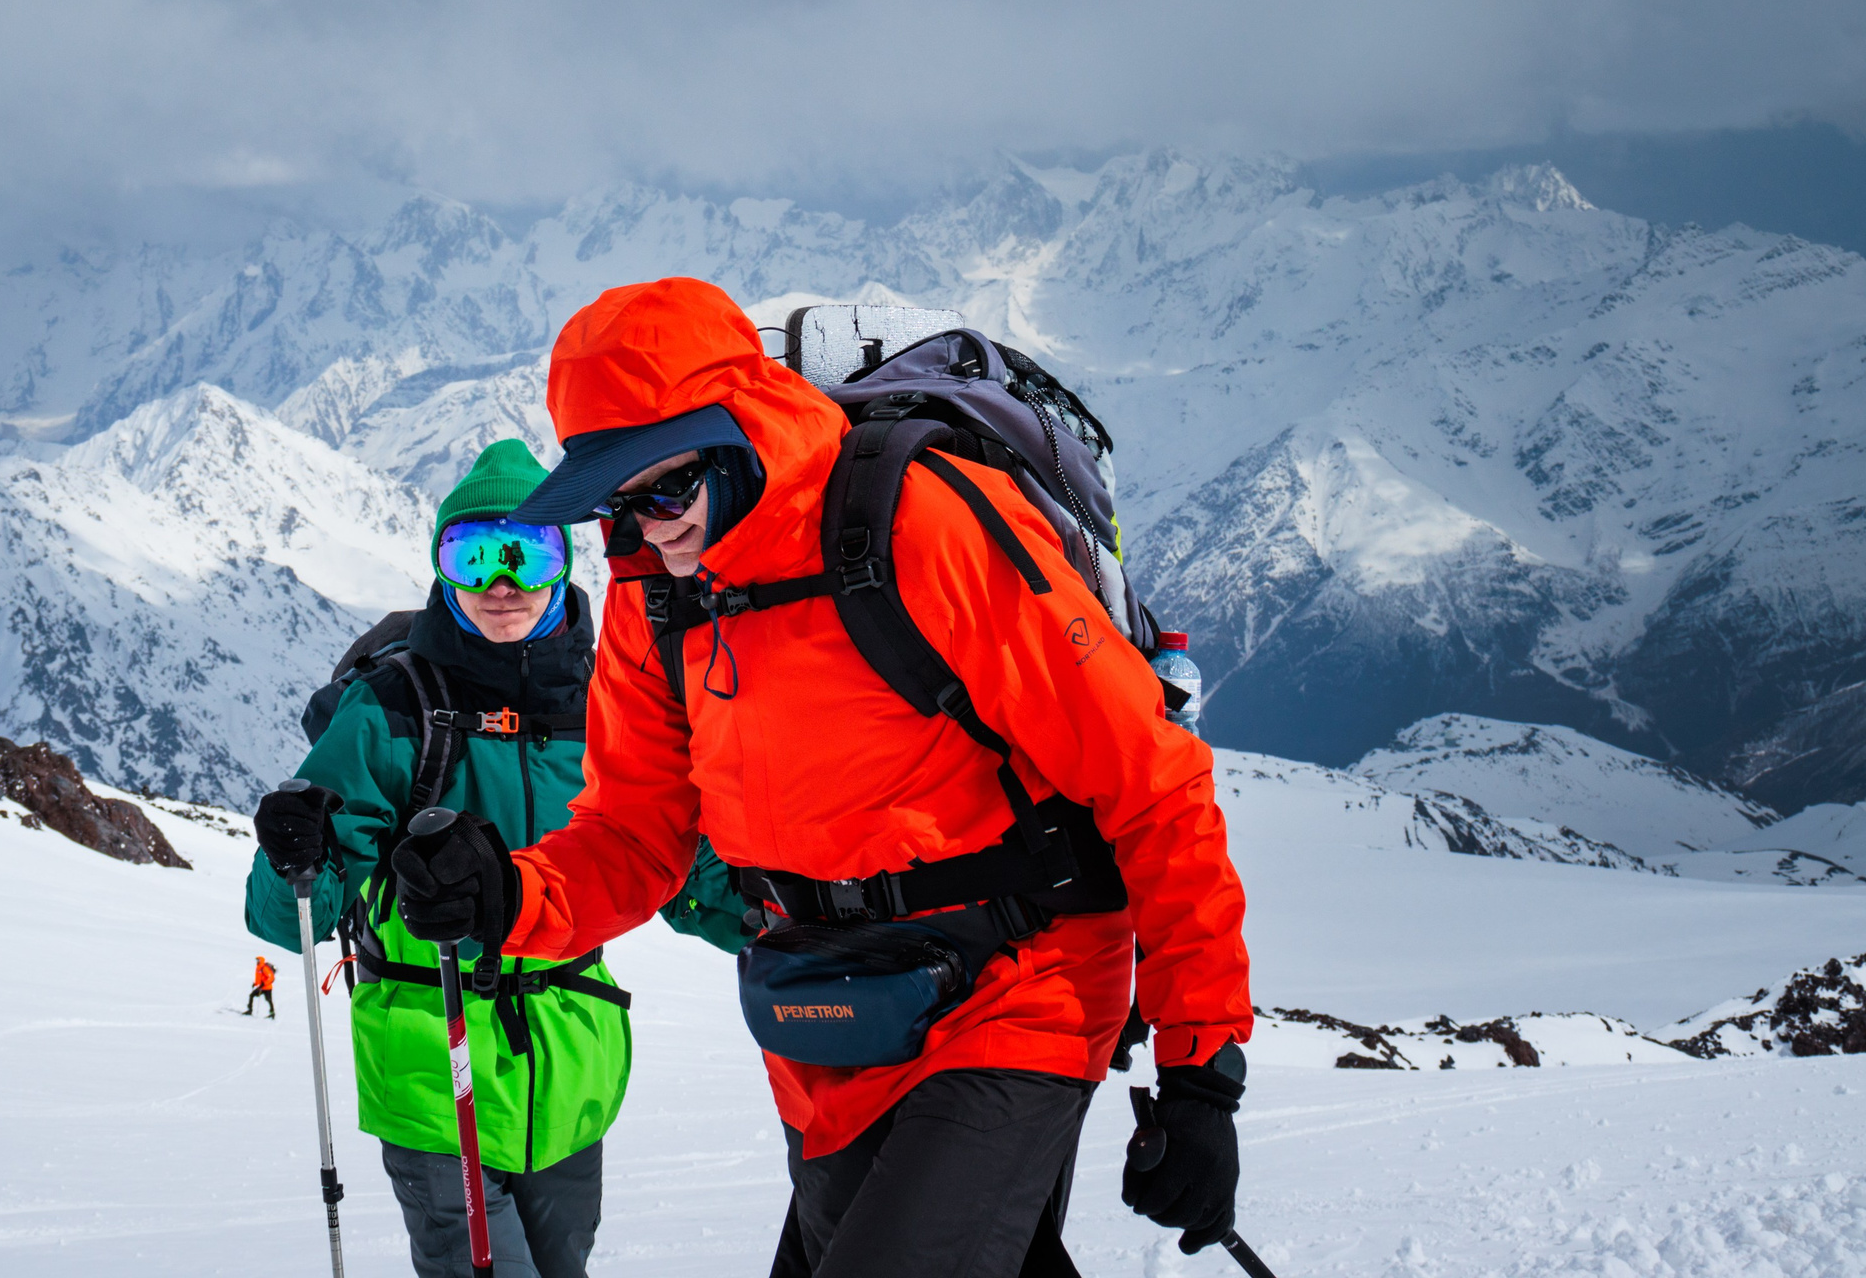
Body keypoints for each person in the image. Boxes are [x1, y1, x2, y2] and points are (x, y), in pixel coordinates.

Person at [388, 279, 1253, 1278]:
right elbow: (633, 834)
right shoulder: (652, 598)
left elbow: (1151, 784)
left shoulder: (921, 523)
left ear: (739, 433)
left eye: (665, 489)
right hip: (823, 1018)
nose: (648, 531)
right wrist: (512, 895)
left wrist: (1201, 1070)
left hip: (1016, 990)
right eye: (615, 506)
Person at [244, 438, 754, 1278]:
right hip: (431, 1071)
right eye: (474, 557)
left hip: (571, 1071)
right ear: (444, 570)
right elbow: (291, 914)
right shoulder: (394, 708)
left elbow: (670, 860)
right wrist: (291, 854)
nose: (503, 584)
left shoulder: (610, 701)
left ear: (564, 561)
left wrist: (794, 925)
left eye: (528, 553)